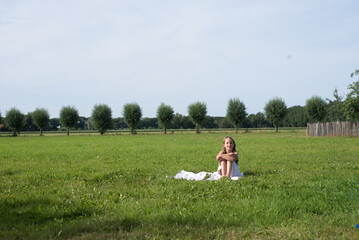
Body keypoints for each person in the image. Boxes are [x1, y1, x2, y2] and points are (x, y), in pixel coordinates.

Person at [174, 136, 243, 181]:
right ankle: (224, 175)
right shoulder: (222, 152)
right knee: (223, 160)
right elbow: (217, 158)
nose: (229, 145)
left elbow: (232, 159)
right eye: (227, 143)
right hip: (223, 170)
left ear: (233, 144)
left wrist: (222, 156)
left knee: (228, 160)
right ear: (224, 145)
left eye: (231, 143)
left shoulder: (235, 152)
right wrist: (223, 155)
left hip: (233, 172)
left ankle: (227, 176)